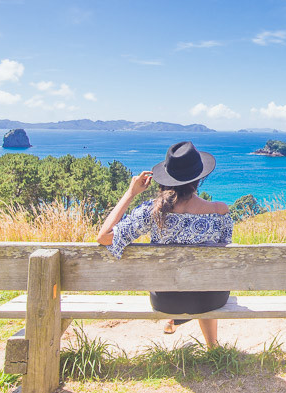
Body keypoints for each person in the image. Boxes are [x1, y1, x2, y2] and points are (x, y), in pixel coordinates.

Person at [97, 141, 233, 343]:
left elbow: (103, 236)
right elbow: (223, 252)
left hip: (166, 300)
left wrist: (130, 193)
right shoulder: (220, 211)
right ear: (198, 179)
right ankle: (212, 346)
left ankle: (172, 319)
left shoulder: (152, 212)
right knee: (205, 280)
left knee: (180, 281)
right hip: (210, 298)